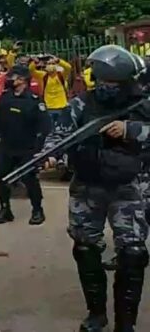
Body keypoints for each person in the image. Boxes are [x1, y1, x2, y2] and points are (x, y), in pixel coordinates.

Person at [42, 45, 150, 332]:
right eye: (101, 80)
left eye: (112, 82)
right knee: (85, 247)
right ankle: (96, 314)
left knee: (133, 253)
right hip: (87, 185)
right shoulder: (81, 104)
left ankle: (125, 323)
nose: (105, 86)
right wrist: (50, 154)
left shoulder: (142, 104)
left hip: (129, 188)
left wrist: (130, 130)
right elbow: (60, 134)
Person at [0, 65, 50, 225]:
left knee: (30, 179)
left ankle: (37, 210)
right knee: (1, 177)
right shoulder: (5, 98)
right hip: (6, 147)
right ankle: (5, 210)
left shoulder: (34, 101)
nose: (10, 79)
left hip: (27, 148)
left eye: (13, 76)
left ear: (23, 79)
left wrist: (39, 150)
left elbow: (44, 127)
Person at [29, 55, 72, 125]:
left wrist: (58, 61)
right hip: (49, 107)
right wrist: (35, 62)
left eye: (53, 64)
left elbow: (68, 67)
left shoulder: (61, 75)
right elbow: (31, 70)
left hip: (62, 106)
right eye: (49, 64)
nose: (51, 66)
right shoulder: (42, 76)